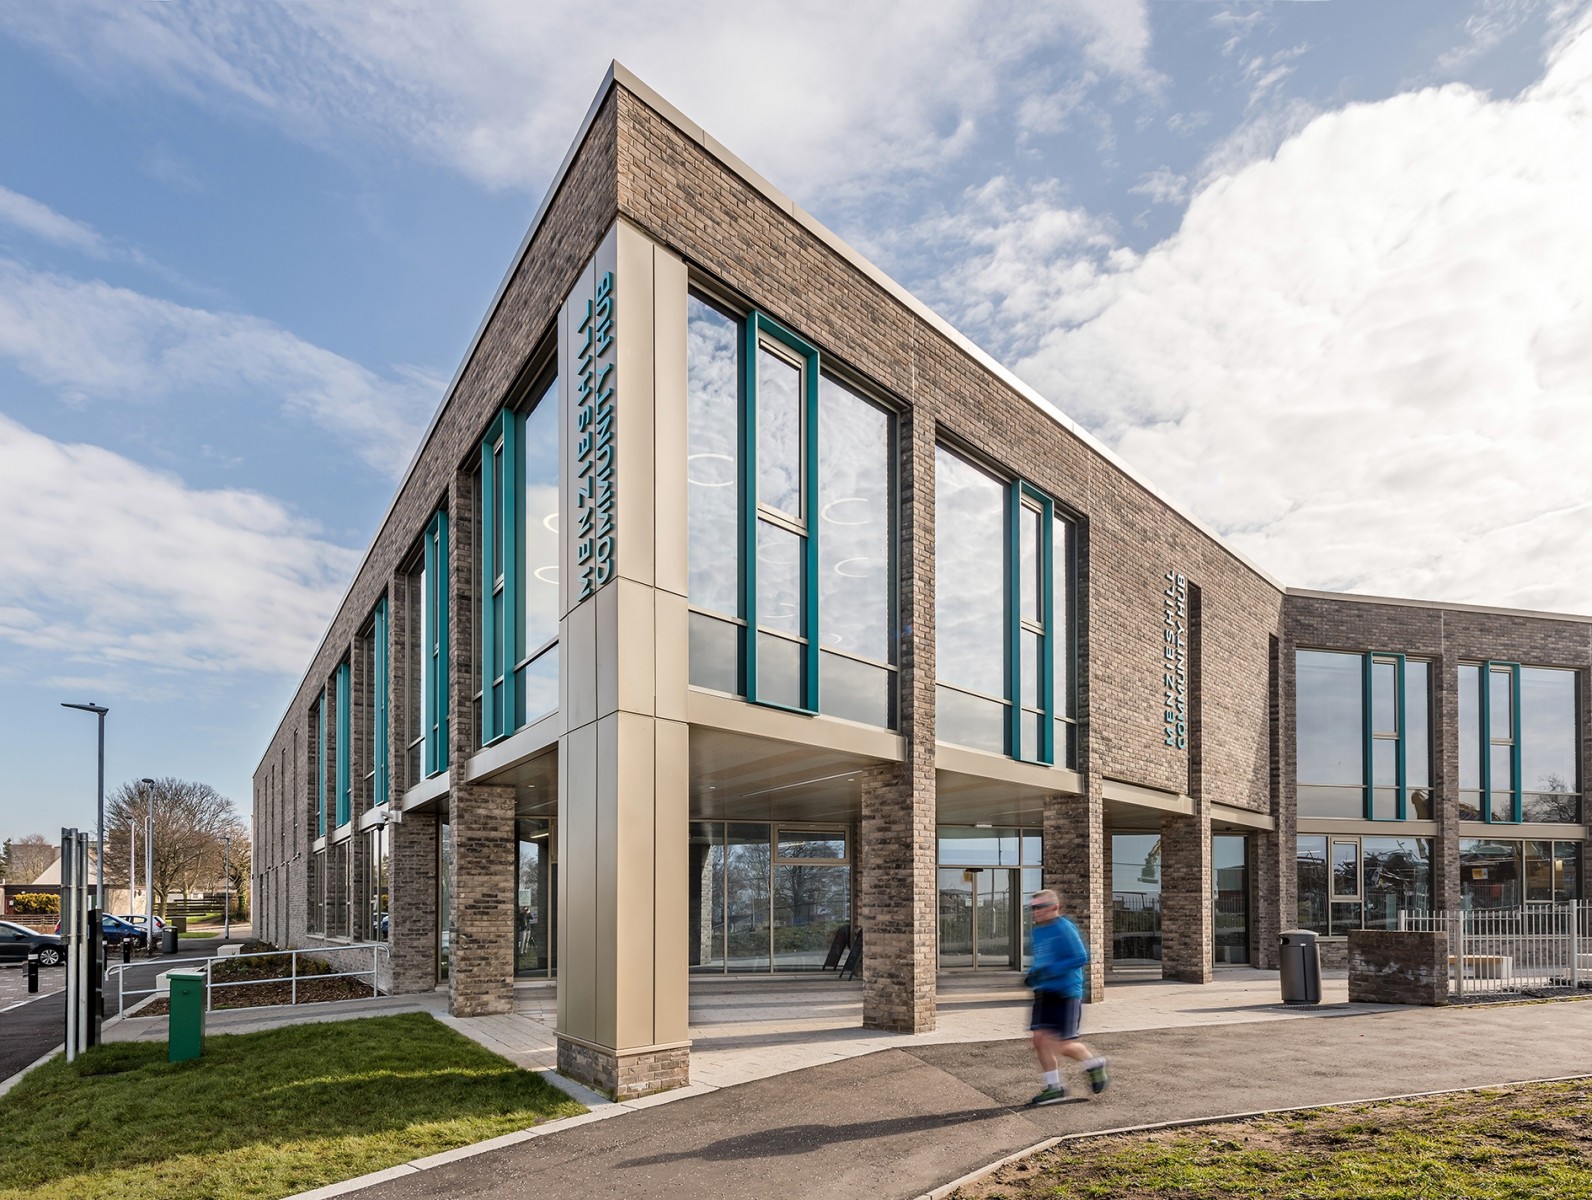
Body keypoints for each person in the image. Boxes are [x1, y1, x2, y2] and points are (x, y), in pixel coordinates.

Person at [1025, 888, 1109, 1106]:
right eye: (1033, 908)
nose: (1036, 912)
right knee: (1039, 1040)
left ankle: (1094, 1064)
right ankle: (1055, 1087)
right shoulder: (1038, 932)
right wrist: (1034, 974)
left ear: (1054, 907)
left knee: (1061, 1044)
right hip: (1044, 992)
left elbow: (1080, 956)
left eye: (1040, 907)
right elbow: (1043, 958)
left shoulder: (1064, 927)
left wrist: (1051, 970)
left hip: (1066, 993)